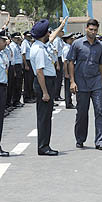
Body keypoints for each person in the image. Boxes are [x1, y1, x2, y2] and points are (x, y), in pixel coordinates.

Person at [68, 19, 102, 150]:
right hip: (81, 83)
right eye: (91, 29)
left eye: (95, 30)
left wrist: (101, 82)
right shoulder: (77, 44)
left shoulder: (101, 45)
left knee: (100, 111)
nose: (93, 32)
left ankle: (100, 142)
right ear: (86, 29)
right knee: (82, 113)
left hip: (96, 83)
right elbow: (70, 62)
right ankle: (80, 139)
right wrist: (72, 81)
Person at [30, 18, 67, 156]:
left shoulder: (40, 45)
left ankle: (45, 144)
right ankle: (43, 146)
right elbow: (39, 72)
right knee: (44, 117)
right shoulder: (39, 50)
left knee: (46, 115)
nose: (49, 34)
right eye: (47, 32)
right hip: (44, 83)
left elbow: (51, 38)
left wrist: (61, 26)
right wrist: (45, 92)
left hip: (47, 82)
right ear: (43, 34)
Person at [62, 32, 75, 109]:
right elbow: (65, 62)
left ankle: (69, 102)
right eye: (71, 39)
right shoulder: (66, 49)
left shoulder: (69, 47)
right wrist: (66, 73)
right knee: (67, 88)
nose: (72, 40)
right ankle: (68, 103)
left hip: (69, 69)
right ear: (67, 40)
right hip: (67, 70)